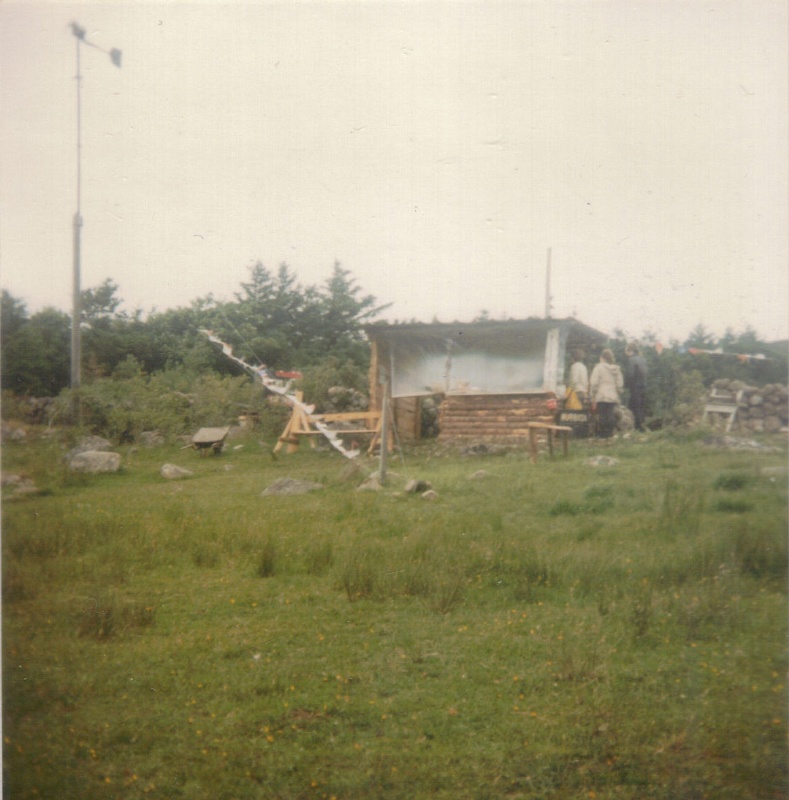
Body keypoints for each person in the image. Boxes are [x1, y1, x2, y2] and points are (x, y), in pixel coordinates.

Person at [590, 348, 623, 439]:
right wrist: (617, 391)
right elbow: (620, 383)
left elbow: (594, 382)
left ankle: (603, 434)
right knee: (610, 414)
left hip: (602, 394)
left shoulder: (598, 368)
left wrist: (592, 393)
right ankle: (610, 433)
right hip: (612, 395)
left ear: (602, 358)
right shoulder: (616, 369)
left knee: (602, 415)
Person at [624, 342, 649, 431]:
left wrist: (626, 385)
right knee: (641, 406)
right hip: (643, 385)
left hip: (635, 386)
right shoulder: (643, 359)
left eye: (626, 351)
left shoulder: (631, 360)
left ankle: (638, 427)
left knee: (635, 407)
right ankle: (642, 425)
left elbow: (630, 375)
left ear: (629, 351)